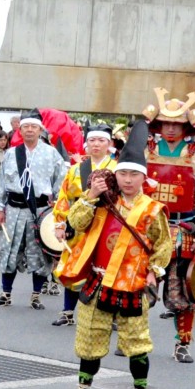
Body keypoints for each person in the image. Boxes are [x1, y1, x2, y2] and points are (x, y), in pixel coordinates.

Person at [57, 120, 172, 389]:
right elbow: (75, 224)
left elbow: (162, 246)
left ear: (143, 178)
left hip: (133, 285)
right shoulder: (102, 203)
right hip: (99, 282)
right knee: (89, 340)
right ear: (116, 175)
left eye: (134, 174)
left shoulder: (152, 209)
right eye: (123, 173)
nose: (128, 179)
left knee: (137, 344)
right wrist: (91, 195)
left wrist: (154, 272)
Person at [144, 89, 195, 363]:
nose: (170, 129)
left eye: (176, 124)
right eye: (166, 123)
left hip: (184, 229)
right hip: (147, 228)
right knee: (137, 286)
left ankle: (183, 343)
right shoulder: (147, 149)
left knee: (184, 287)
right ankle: (134, 337)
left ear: (185, 127)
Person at [0, 108, 66, 310]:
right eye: (26, 127)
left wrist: (58, 208)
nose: (30, 130)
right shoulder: (11, 154)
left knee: (39, 253)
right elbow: (3, 184)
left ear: (40, 129)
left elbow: (61, 182)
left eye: (34, 126)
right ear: (20, 131)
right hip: (13, 208)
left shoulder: (52, 154)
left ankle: (35, 295)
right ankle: (6, 293)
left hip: (40, 211)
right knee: (9, 249)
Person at [51, 123, 117, 326]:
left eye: (101, 140)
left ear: (109, 144)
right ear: (86, 143)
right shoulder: (75, 169)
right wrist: (60, 223)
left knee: (108, 268)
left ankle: (110, 314)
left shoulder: (118, 169)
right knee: (74, 265)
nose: (96, 144)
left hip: (107, 223)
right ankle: (68, 311)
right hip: (80, 223)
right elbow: (64, 197)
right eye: (92, 140)